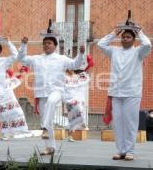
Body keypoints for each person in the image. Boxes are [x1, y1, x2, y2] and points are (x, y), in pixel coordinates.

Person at [18, 29, 85, 155]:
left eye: (49, 43)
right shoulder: (37, 58)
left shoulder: (61, 59)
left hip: (57, 90)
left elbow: (75, 65)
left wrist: (81, 54)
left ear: (55, 45)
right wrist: (23, 45)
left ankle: (44, 128)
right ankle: (50, 147)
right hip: (41, 93)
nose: (46, 45)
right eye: (45, 43)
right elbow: (22, 58)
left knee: (51, 102)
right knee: (46, 117)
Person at [98, 16, 151, 160]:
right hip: (116, 93)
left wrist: (138, 31)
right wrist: (114, 33)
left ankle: (130, 151)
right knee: (118, 123)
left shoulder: (138, 52)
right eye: (124, 37)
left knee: (130, 123)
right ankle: (120, 150)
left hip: (132, 93)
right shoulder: (114, 51)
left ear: (133, 39)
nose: (125, 39)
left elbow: (148, 45)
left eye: (129, 37)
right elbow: (101, 45)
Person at [0, 67, 30, 140]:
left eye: (6, 75)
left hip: (10, 102)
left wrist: (23, 71)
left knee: (17, 114)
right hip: (2, 103)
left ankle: (18, 131)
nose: (5, 76)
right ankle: (5, 134)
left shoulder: (10, 82)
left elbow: (19, 78)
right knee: (3, 117)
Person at [64, 69, 90, 142]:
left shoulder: (78, 79)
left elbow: (85, 81)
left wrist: (85, 76)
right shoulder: (67, 79)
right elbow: (65, 86)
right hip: (70, 101)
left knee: (78, 113)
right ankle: (72, 132)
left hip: (77, 100)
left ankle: (81, 124)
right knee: (72, 117)